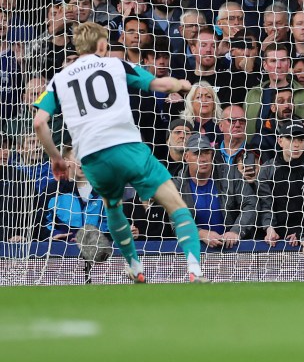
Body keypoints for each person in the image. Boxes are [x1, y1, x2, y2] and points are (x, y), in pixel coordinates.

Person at [31, 22, 207, 283]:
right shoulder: (115, 64)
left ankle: (135, 267)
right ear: (101, 45)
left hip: (92, 158)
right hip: (128, 147)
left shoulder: (59, 79)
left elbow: (38, 122)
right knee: (175, 204)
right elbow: (158, 85)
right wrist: (179, 84)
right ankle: (194, 269)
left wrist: (57, 158)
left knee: (112, 206)